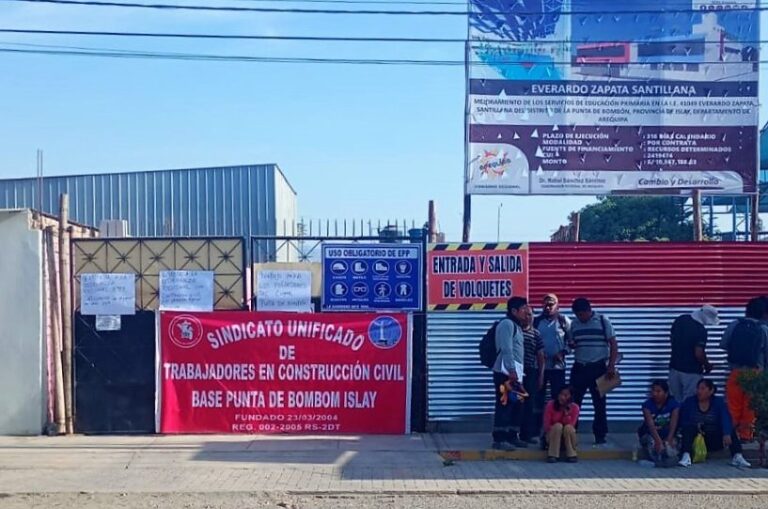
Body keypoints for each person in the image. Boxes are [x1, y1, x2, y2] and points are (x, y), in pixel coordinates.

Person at [569, 297, 619, 446]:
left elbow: (613, 344)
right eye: (577, 315)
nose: (580, 318)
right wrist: (571, 344)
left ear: (588, 311)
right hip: (579, 367)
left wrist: (611, 366)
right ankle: (571, 432)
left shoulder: (603, 321)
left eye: (582, 314)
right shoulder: (574, 325)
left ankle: (600, 435)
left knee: (599, 403)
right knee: (574, 403)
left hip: (598, 367)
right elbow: (572, 343)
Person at [720, 297, 768, 442]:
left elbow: (723, 345)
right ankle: (746, 436)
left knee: (733, 405)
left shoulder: (734, 324)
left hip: (735, 372)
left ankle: (731, 436)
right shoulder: (763, 329)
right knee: (750, 407)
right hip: (755, 374)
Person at [678, 379, 751, 468]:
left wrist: (726, 433)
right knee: (688, 429)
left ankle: (737, 456)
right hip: (696, 439)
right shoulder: (690, 402)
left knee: (730, 430)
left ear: (711, 391)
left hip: (713, 438)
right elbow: (684, 421)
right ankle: (686, 456)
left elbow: (725, 418)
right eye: (698, 388)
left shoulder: (718, 402)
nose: (699, 391)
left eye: (702, 389)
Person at [491, 296, 529, 450]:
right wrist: (511, 370)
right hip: (506, 373)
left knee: (517, 404)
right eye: (523, 309)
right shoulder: (507, 324)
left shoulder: (517, 325)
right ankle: (499, 439)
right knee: (504, 404)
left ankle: (512, 436)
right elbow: (506, 349)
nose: (526, 312)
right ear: (514, 311)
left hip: (516, 373)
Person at [668, 305, 718, 402]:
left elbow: (672, 339)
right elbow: (698, 353)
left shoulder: (680, 320)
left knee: (675, 403)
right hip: (691, 372)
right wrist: (707, 365)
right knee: (689, 404)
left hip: (674, 369)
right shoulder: (700, 330)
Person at [534, 294, 571, 405]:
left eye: (551, 305)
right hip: (539, 367)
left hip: (557, 367)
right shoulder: (535, 322)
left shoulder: (564, 321)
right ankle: (538, 421)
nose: (548, 308)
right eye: (545, 305)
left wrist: (562, 352)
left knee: (558, 397)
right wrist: (537, 354)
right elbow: (530, 342)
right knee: (538, 397)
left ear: (557, 306)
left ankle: (557, 421)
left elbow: (572, 342)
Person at [637, 380, 680, 467]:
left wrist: (669, 440)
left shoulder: (674, 405)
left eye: (658, 391)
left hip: (667, 434)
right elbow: (650, 425)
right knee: (652, 444)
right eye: (653, 391)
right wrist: (658, 442)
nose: (655, 394)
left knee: (672, 448)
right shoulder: (647, 405)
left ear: (666, 393)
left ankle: (662, 461)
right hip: (652, 434)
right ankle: (656, 461)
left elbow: (673, 424)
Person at [520, 305, 546, 444]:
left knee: (529, 404)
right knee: (514, 403)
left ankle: (527, 434)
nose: (527, 317)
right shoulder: (515, 330)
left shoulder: (536, 333)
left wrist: (541, 375)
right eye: (525, 314)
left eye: (530, 315)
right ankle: (511, 433)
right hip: (515, 372)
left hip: (530, 372)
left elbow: (541, 356)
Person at [542, 386, 580, 463]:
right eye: (561, 394)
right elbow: (546, 425)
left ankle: (571, 454)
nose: (562, 397)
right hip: (553, 437)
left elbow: (572, 424)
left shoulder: (575, 407)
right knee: (558, 426)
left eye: (566, 395)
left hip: (568, 437)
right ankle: (553, 455)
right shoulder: (550, 405)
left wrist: (566, 414)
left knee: (568, 428)